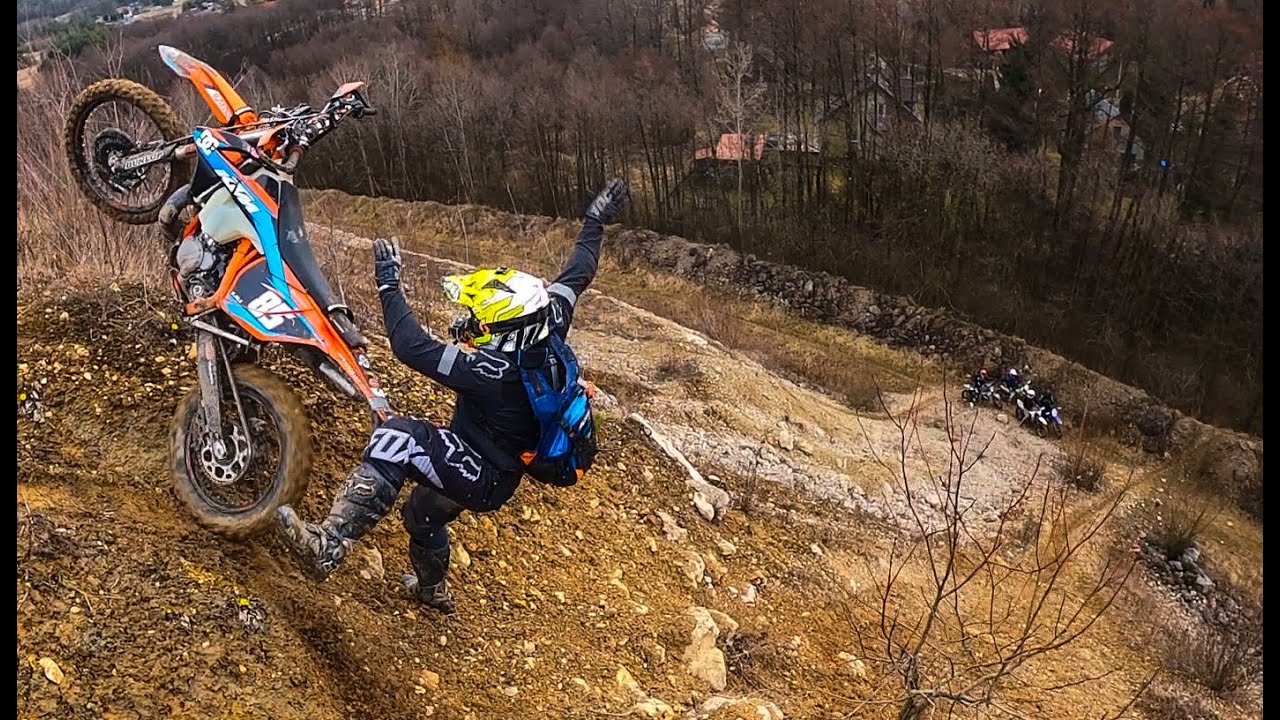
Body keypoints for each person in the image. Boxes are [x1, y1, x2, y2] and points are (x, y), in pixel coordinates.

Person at [275, 178, 632, 615]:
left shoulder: (494, 372)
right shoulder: (550, 321)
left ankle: (328, 544)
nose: (471, 324)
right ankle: (431, 590)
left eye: (479, 320)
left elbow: (410, 347)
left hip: (483, 473)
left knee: (397, 437)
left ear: (505, 328)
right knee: (422, 513)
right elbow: (579, 271)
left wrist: (389, 286)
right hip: (495, 470)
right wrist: (595, 220)